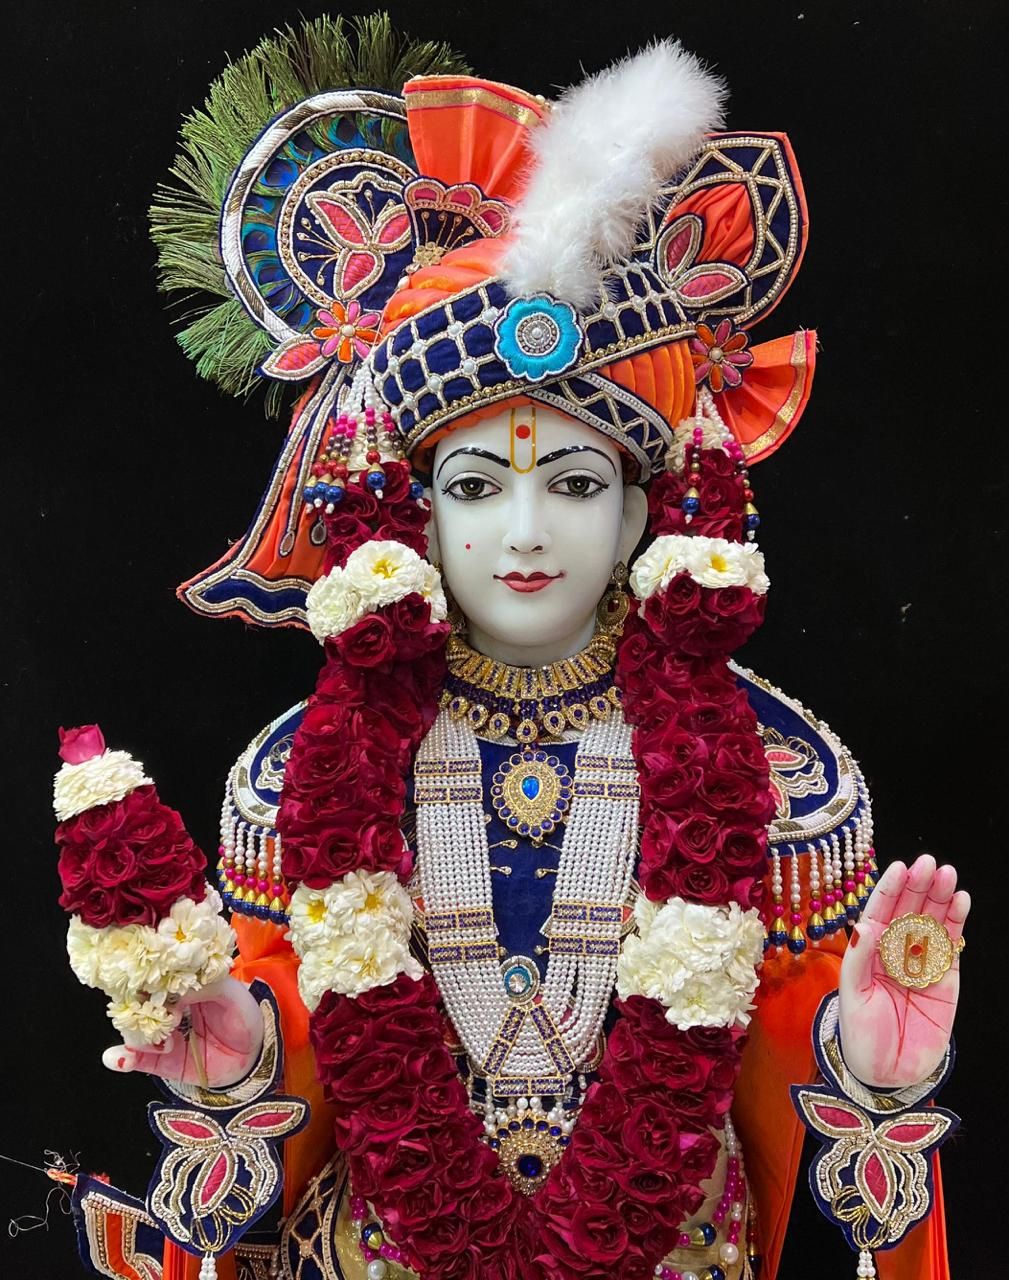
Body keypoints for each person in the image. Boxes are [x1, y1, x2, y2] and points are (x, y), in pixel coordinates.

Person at [55, 18, 967, 1280]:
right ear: (409, 512)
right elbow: (307, 1066)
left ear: (646, 511)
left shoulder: (777, 770)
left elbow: (780, 1079)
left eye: (577, 483)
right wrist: (239, 1057)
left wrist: (864, 1071)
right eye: (476, 486)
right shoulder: (304, 772)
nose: (525, 532)